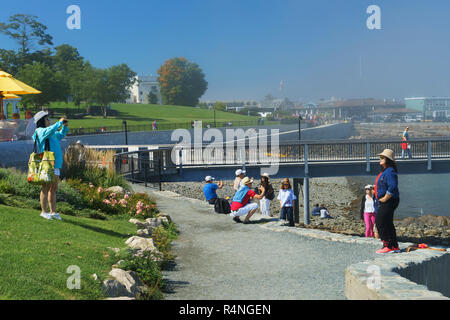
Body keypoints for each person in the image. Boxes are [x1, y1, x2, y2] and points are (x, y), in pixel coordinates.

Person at [32, 112, 69, 221]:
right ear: (41, 121)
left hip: (55, 164)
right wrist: (59, 122)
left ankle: (53, 212)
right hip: (47, 163)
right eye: (47, 119)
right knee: (45, 187)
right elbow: (49, 130)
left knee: (53, 188)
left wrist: (64, 126)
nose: (49, 120)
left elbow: (61, 135)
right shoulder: (40, 131)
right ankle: (44, 211)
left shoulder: (51, 132)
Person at [374, 149, 400, 254]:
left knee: (380, 222)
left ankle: (388, 245)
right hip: (389, 201)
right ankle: (394, 246)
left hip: (389, 201)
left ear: (388, 160)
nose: (380, 159)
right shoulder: (385, 171)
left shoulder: (390, 171)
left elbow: (393, 186)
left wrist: (385, 198)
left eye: (382, 158)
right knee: (388, 223)